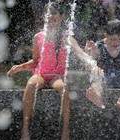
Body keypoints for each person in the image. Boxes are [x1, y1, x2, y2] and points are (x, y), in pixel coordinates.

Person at [7, 2, 95, 140]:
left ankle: (66, 130)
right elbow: (35, 61)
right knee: (30, 85)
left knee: (64, 87)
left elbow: (80, 53)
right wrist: (20, 67)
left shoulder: (67, 37)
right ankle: (25, 129)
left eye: (54, 13)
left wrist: (91, 62)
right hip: (40, 74)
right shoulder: (38, 37)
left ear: (61, 16)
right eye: (47, 13)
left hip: (56, 77)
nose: (50, 16)